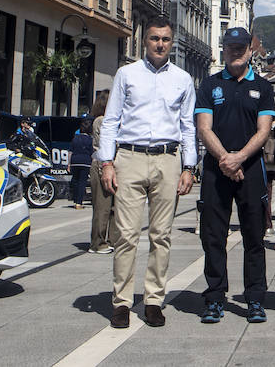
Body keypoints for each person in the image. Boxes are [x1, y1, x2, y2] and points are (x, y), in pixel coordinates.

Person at [98, 19, 197, 330]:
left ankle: (154, 300)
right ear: (145, 41)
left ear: (172, 43)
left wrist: (189, 167)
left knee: (161, 235)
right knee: (125, 235)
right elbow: (111, 120)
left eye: (166, 39)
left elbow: (188, 126)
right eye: (155, 38)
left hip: (168, 159)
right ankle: (122, 302)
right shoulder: (127, 74)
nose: (160, 44)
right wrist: (107, 162)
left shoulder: (183, 79)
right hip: (130, 156)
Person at [195, 26, 275, 325]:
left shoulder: (264, 87)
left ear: (250, 50)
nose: (236, 51)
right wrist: (225, 159)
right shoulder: (210, 84)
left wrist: (239, 157)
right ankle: (215, 298)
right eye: (231, 47)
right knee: (213, 237)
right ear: (224, 49)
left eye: (242, 47)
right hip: (217, 170)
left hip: (252, 169)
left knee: (254, 237)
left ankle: (255, 299)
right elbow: (204, 127)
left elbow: (264, 130)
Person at [87, 90, 116, 253]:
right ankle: (97, 242)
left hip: (112, 164)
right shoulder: (101, 121)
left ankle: (112, 239)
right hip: (101, 163)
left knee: (115, 207)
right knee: (102, 205)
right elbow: (105, 143)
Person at [69, 117, 92, 208]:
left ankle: (75, 199)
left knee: (75, 181)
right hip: (85, 162)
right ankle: (79, 202)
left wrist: (69, 164)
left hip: (75, 161)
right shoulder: (90, 140)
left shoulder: (75, 139)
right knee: (82, 182)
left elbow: (70, 152)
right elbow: (92, 153)